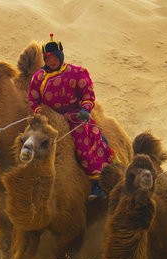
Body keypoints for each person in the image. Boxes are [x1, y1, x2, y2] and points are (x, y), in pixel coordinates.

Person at [28, 34, 112, 201]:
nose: (51, 61)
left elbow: (88, 94)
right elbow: (33, 99)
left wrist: (85, 109)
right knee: (29, 142)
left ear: (60, 56)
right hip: (50, 118)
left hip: (75, 116)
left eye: (54, 57)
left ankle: (98, 183)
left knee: (84, 144)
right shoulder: (38, 77)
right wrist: (38, 111)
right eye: (48, 58)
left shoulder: (77, 73)